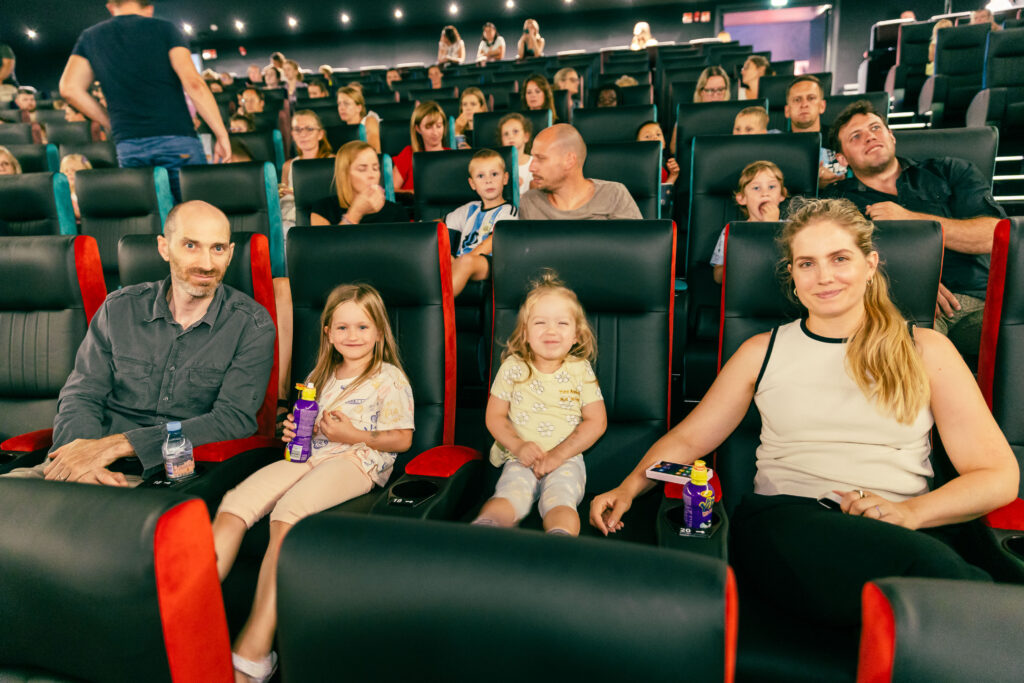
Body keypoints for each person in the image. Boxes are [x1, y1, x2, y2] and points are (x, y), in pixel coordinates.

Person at [590, 197, 1017, 625]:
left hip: (906, 525)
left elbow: (996, 475)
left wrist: (910, 513)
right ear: (792, 275)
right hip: (788, 525)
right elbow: (689, 438)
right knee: (939, 585)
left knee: (935, 581)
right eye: (807, 263)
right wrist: (629, 487)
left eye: (839, 258)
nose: (824, 276)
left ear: (870, 264)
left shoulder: (925, 348)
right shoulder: (761, 351)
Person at [213, 282, 414, 683]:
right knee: (235, 503)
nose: (352, 336)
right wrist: (293, 429)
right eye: (342, 327)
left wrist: (353, 435)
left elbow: (402, 439)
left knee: (287, 514)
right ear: (327, 332)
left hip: (357, 461)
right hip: (309, 456)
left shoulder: (388, 378)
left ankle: (255, 649)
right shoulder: (319, 375)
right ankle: (184, 614)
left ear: (379, 332)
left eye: (362, 327)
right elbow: (306, 426)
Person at [4, 201, 276, 486]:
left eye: (217, 248)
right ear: (164, 248)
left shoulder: (251, 325)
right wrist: (80, 458)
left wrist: (119, 445)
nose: (206, 264)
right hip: (85, 461)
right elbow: (82, 394)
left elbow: (232, 419)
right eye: (190, 246)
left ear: (230, 254)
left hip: (167, 474)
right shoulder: (119, 308)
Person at [824, 99, 1005, 357]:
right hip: (899, 308)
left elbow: (993, 236)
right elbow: (835, 264)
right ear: (842, 158)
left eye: (875, 128)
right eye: (856, 136)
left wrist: (908, 217)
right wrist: (917, 283)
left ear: (891, 136)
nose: (870, 137)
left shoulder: (949, 170)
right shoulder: (836, 202)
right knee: (908, 357)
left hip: (977, 301)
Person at [473, 271, 606, 536]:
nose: (551, 330)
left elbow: (597, 421)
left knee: (560, 500)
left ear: (577, 335)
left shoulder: (580, 370)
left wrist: (558, 455)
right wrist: (518, 446)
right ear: (525, 333)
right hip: (520, 458)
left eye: (562, 323)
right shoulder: (512, 367)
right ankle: (486, 532)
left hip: (565, 460)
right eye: (540, 322)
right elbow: (495, 416)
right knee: (509, 495)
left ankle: (560, 538)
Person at [58, 0, 231, 202]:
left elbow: (69, 88)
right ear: (149, 8)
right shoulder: (165, 29)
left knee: (149, 215)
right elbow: (194, 84)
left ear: (111, 6)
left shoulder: (90, 37)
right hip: (176, 138)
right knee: (195, 211)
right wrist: (221, 134)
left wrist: (109, 122)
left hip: (129, 144)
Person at [520, 124, 642, 220]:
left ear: (569, 161)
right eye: (533, 158)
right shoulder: (529, 202)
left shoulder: (614, 194)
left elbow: (634, 243)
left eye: (541, 158)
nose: (531, 168)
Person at [448, 149, 518, 296]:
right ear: (472, 183)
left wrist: (462, 260)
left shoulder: (508, 211)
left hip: (490, 263)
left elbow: (492, 242)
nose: (488, 180)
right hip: (462, 260)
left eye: (494, 174)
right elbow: (441, 228)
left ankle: (438, 303)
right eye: (481, 176)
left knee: (466, 262)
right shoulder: (469, 209)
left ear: (505, 178)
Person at [710, 160, 788, 283]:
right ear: (742, 198)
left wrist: (772, 227)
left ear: (782, 195)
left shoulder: (792, 229)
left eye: (771, 187)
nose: (765, 193)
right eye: (756, 188)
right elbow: (718, 277)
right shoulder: (733, 231)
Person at [311, 140, 408, 225]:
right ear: (344, 174)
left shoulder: (396, 211)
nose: (372, 175)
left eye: (375, 168)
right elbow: (327, 241)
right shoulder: (323, 209)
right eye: (362, 169)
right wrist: (355, 214)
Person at [785, 74, 847, 188]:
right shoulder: (778, 146)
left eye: (811, 98)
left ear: (822, 106)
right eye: (797, 100)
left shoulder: (841, 139)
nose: (804, 104)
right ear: (787, 110)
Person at [280, 110, 333, 232]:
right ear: (292, 134)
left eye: (309, 129)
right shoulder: (288, 166)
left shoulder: (333, 162)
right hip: (291, 219)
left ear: (320, 134)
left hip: (323, 217)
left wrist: (300, 193)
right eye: (297, 129)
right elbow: (284, 200)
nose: (303, 134)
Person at [393, 100, 449, 193]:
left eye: (439, 126)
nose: (435, 132)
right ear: (418, 129)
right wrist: (411, 193)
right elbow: (390, 190)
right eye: (428, 127)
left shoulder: (452, 155)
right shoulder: (408, 154)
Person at [336, 85, 381, 153]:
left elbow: (375, 152)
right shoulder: (341, 129)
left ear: (359, 108)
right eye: (339, 104)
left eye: (346, 103)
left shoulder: (369, 120)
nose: (341, 108)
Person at [498, 112, 534, 194]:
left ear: (526, 137)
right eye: (506, 134)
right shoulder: (498, 165)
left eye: (515, 131)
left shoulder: (535, 162)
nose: (510, 136)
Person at [636, 121, 679, 185]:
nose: (655, 138)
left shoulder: (665, 165)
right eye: (647, 136)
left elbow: (663, 191)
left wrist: (673, 175)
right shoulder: (638, 168)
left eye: (658, 134)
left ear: (664, 142)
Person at [60, 153, 93, 221]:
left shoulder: (90, 194)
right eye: (66, 171)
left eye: (74, 170)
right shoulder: (63, 195)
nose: (69, 173)